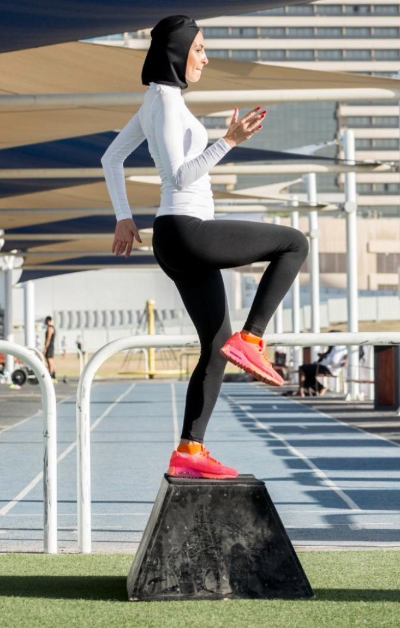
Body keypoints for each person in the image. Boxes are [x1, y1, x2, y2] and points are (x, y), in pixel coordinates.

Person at [102, 16, 307, 480]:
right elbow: (179, 176)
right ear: (177, 52)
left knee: (215, 349)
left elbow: (110, 157)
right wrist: (227, 142)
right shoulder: (167, 104)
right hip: (187, 228)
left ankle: (190, 449)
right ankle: (253, 339)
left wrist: (123, 216)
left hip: (173, 237)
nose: (206, 57)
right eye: (199, 49)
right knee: (294, 243)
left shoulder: (154, 100)